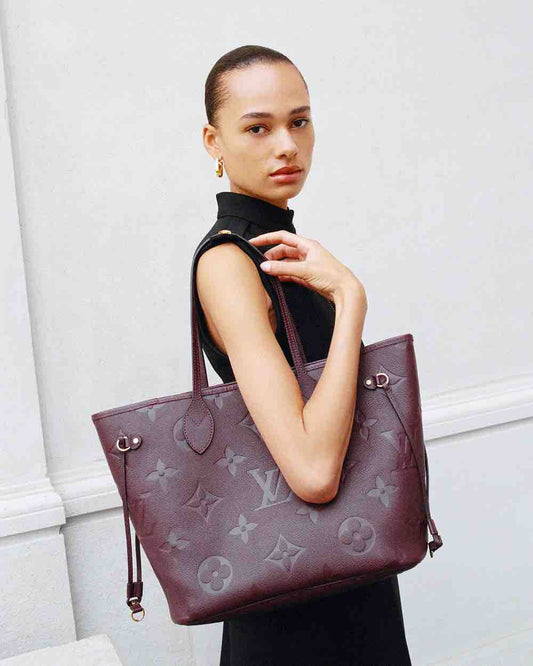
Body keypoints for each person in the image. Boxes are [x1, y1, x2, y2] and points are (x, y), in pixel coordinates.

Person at [195, 44, 412, 666]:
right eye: (257, 128)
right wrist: (350, 298)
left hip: (348, 568)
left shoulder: (282, 250)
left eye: (299, 121)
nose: (287, 145)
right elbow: (313, 472)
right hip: (298, 610)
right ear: (213, 142)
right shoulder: (228, 263)